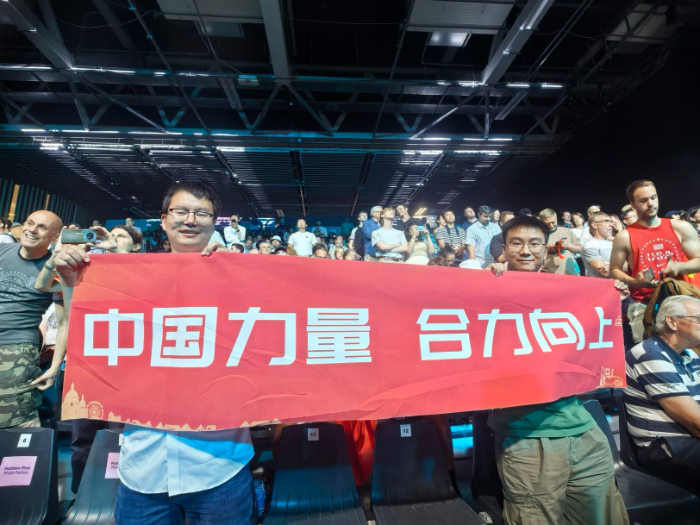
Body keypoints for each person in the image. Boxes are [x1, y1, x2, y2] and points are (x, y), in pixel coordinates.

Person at [54, 181, 254, 525]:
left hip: (220, 464)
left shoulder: (243, 278)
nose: (190, 220)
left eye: (201, 213)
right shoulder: (128, 282)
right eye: (181, 211)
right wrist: (73, 283)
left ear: (214, 222)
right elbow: (89, 339)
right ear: (163, 220)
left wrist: (237, 275)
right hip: (143, 467)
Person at [486, 215, 629, 525]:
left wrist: (612, 295)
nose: (526, 250)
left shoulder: (567, 291)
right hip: (527, 438)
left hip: (584, 430)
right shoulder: (486, 291)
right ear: (503, 248)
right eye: (516, 243)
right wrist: (487, 281)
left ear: (545, 247)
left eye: (534, 243)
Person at [624, 295, 700, 493]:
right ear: (672, 322)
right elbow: (695, 423)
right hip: (664, 447)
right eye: (698, 319)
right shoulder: (649, 354)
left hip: (690, 440)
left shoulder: (689, 353)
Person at [611, 180, 700, 344]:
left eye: (653, 197)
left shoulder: (681, 227)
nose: (651, 203)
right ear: (633, 205)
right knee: (647, 351)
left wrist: (679, 266)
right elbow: (614, 269)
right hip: (643, 303)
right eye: (643, 200)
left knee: (690, 350)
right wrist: (635, 281)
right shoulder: (624, 236)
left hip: (678, 300)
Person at [0, 210, 66, 429]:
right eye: (30, 223)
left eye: (42, 227)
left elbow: (64, 323)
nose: (32, 230)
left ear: (54, 237)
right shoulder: (2, 251)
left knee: (19, 419)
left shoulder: (58, 269)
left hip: (15, 346)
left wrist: (55, 367)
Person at [538, 208, 581, 275]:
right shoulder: (537, 235)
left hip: (571, 272)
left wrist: (568, 246)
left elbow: (581, 249)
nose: (551, 225)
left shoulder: (567, 231)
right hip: (548, 273)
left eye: (553, 222)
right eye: (548, 223)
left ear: (556, 218)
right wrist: (547, 249)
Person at [582, 212, 614, 278]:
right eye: (606, 221)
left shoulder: (614, 243)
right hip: (603, 284)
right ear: (594, 225)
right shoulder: (590, 245)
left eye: (611, 221)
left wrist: (612, 267)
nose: (611, 225)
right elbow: (603, 271)